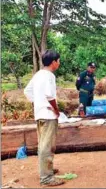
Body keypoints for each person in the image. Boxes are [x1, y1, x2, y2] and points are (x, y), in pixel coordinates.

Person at [24, 50, 65, 187]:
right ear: (53, 62)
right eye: (58, 61)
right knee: (47, 146)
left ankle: (46, 170)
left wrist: (38, 103)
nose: (59, 63)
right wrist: (56, 110)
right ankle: (46, 178)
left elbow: (27, 91)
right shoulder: (49, 76)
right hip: (48, 115)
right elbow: (49, 96)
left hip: (40, 114)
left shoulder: (38, 74)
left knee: (43, 144)